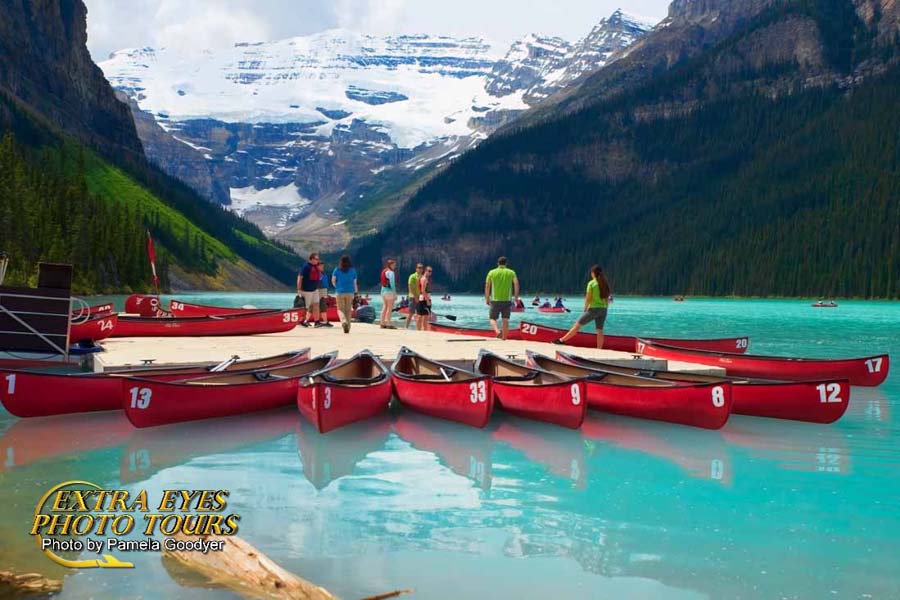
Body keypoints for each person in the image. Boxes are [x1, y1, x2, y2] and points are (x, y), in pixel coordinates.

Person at [553, 265, 611, 349]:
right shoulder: (604, 283)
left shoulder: (591, 283)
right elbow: (607, 299)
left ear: (593, 273)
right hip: (603, 309)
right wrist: (605, 308)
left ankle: (562, 340)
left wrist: (585, 308)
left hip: (593, 309)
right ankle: (599, 349)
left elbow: (588, 297)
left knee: (577, 325)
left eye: (591, 273)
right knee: (599, 330)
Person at [485, 256, 520, 340]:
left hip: (495, 299)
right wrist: (516, 297)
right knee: (505, 319)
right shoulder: (511, 272)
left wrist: (487, 298)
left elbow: (487, 286)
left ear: (498, 263)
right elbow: (516, 284)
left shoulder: (491, 272)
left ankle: (497, 331)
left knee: (492, 318)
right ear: (506, 263)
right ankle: (504, 338)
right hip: (507, 300)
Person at [331, 255, 358, 334]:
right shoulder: (353, 270)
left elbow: (333, 280)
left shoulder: (337, 269)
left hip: (339, 292)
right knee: (348, 310)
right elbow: (355, 283)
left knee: (340, 309)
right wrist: (356, 293)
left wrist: (337, 287)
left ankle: (343, 322)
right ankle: (348, 327)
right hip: (350, 292)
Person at [297, 253, 322, 328]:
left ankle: (317, 321)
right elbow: (300, 277)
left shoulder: (316, 267)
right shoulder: (306, 266)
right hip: (306, 290)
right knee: (306, 307)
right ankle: (301, 321)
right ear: (311, 259)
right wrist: (299, 289)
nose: (318, 260)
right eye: (316, 259)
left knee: (316, 304)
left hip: (315, 289)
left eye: (318, 259)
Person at [379, 258, 397, 329]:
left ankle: (382, 323)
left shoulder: (384, 271)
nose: (394, 266)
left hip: (383, 291)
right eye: (394, 265)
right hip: (389, 292)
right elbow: (392, 284)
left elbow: (383, 283)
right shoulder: (391, 273)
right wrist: (395, 293)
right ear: (390, 265)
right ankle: (388, 323)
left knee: (384, 307)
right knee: (389, 308)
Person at [406, 263, 424, 329]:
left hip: (421, 297)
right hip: (412, 297)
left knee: (419, 314)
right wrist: (415, 297)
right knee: (411, 313)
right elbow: (410, 287)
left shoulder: (423, 277)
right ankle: (406, 327)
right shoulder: (412, 276)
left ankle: (418, 328)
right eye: (419, 267)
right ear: (416, 268)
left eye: (421, 268)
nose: (420, 269)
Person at [416, 265, 433, 331]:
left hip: (426, 299)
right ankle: (419, 330)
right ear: (425, 271)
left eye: (431, 271)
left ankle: (424, 329)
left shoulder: (426, 279)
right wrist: (427, 300)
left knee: (426, 316)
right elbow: (423, 290)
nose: (430, 273)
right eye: (429, 271)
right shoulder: (424, 279)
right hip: (423, 299)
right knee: (420, 316)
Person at [317, 262, 333, 327]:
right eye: (321, 266)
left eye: (323, 266)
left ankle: (325, 321)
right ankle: (305, 320)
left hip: (323, 291)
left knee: (323, 306)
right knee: (314, 307)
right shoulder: (317, 273)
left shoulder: (322, 273)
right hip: (319, 291)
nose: (323, 267)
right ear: (318, 266)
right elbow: (317, 283)